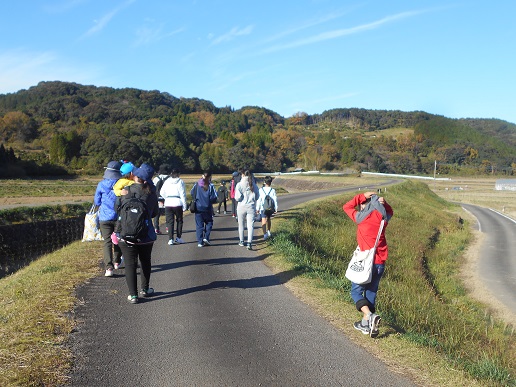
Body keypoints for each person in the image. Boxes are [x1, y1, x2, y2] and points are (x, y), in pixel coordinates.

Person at [343, 191, 393, 338]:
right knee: (371, 292)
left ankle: (369, 315)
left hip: (366, 262)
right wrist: (383, 202)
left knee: (356, 292)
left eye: (362, 205)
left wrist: (362, 196)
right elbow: (390, 211)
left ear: (364, 206)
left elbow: (347, 206)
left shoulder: (361, 218)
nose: (360, 207)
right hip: (380, 263)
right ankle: (366, 325)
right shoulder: (383, 218)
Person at [116, 163, 159, 304]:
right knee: (145, 261)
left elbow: (116, 208)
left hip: (125, 233)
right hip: (146, 235)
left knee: (130, 264)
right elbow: (154, 213)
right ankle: (145, 289)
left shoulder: (125, 190)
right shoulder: (151, 193)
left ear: (135, 175)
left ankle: (133, 295)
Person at [94, 161, 124, 277]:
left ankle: (109, 267)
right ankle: (117, 261)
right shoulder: (121, 184)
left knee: (107, 241)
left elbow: (97, 201)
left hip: (104, 217)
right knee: (117, 238)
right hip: (118, 217)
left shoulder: (101, 184)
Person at [160, 168, 187, 245]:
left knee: (170, 222)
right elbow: (183, 194)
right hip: (178, 202)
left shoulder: (167, 181)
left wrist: (167, 198)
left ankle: (170, 239)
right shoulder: (180, 182)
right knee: (179, 221)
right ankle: (178, 237)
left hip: (168, 203)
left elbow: (162, 192)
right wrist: (184, 205)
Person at [190, 171, 218, 247]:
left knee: (199, 225)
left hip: (198, 207)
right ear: (210, 177)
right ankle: (206, 237)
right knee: (209, 223)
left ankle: (200, 242)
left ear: (202, 176)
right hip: (208, 207)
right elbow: (214, 197)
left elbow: (192, 193)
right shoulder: (211, 185)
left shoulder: (196, 184)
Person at [235, 170, 260, 250]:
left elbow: (237, 198)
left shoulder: (239, 184)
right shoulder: (253, 184)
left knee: (241, 225)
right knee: (250, 225)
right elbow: (257, 197)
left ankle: (241, 241)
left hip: (241, 207)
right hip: (251, 207)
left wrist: (242, 198)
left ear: (242, 175)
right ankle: (249, 243)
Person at [256, 175, 278, 241]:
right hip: (270, 208)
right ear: (271, 182)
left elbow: (259, 200)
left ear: (264, 182)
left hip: (263, 207)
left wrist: (257, 208)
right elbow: (275, 200)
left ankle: (264, 234)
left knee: (263, 220)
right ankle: (268, 231)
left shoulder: (261, 190)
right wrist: (276, 208)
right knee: (268, 219)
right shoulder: (272, 190)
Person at [152, 164, 170, 234]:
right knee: (168, 214)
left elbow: (153, 188)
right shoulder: (169, 178)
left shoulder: (156, 178)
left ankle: (156, 228)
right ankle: (168, 227)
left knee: (157, 214)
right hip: (167, 198)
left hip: (157, 198)